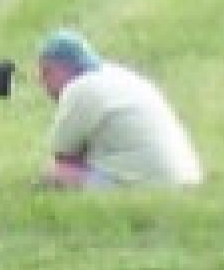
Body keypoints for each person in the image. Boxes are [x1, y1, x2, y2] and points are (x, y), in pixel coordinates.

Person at [36, 29, 203, 189]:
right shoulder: (120, 75)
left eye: (45, 73)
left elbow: (63, 155)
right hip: (187, 175)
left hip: (148, 182)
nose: (42, 83)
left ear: (56, 69)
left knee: (56, 172)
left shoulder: (79, 89)